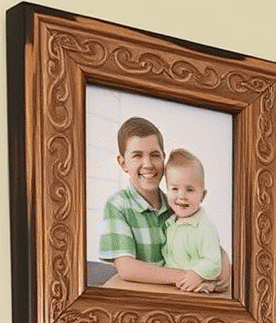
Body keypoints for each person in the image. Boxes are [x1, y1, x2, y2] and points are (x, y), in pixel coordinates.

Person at [98, 116, 230, 291]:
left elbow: (207, 242)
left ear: (164, 160)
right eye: (137, 155)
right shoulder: (118, 206)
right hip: (140, 294)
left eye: (155, 155)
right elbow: (127, 269)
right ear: (123, 163)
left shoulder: (176, 205)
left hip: (175, 292)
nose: (148, 164)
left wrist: (222, 266)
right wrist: (189, 276)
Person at [162, 149, 224, 292]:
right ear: (166, 190)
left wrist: (197, 274)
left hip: (191, 289)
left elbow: (213, 262)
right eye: (174, 189)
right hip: (170, 287)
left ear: (202, 195)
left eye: (189, 190)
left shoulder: (204, 228)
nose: (181, 196)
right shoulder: (170, 222)